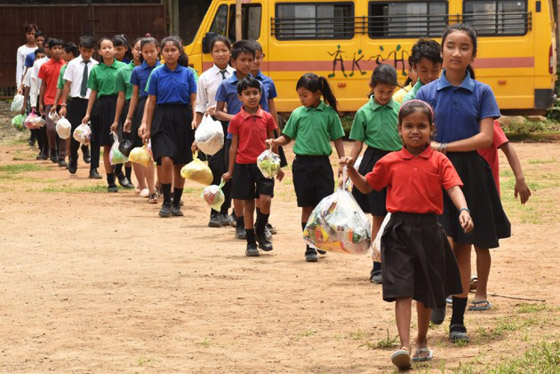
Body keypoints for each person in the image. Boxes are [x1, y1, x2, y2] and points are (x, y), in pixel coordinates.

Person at [340, 100, 470, 370]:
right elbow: (365, 187)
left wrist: (464, 209)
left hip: (429, 231)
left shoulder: (439, 160)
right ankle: (404, 347)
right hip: (397, 231)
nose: (415, 131)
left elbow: (453, 186)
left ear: (431, 129)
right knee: (402, 290)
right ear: (398, 130)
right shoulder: (390, 161)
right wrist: (351, 170)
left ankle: (422, 340)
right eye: (408, 126)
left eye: (421, 126)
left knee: (423, 292)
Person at [416, 23, 511, 343]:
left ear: (473, 54)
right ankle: (441, 290)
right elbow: (415, 132)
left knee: (464, 244)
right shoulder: (426, 92)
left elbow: (485, 136)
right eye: (451, 46)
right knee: (441, 239)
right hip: (432, 172)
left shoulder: (483, 92)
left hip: (470, 173)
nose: (457, 53)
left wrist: (444, 147)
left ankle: (458, 322)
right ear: (441, 51)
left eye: (464, 47)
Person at [267, 73, 345, 262]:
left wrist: (343, 161)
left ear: (317, 94)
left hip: (322, 164)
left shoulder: (329, 114)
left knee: (323, 206)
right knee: (307, 206)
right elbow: (287, 137)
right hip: (302, 165)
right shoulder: (297, 113)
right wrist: (275, 141)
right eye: (300, 95)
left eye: (305, 95)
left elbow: (337, 139)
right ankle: (309, 246)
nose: (301, 99)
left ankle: (320, 239)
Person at [470, 120, 531, 310]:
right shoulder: (455, 119)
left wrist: (520, 178)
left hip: (484, 193)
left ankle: (481, 293)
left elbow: (507, 147)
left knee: (481, 244)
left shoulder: (486, 123)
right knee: (456, 244)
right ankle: (458, 286)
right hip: (457, 190)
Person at [348, 64, 401, 283]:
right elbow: (358, 143)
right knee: (378, 214)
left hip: (398, 163)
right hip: (375, 163)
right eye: (381, 92)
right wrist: (349, 164)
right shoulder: (364, 112)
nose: (385, 96)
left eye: (389, 92)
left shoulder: (400, 109)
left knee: (399, 213)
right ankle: (377, 266)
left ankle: (398, 264)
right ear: (372, 87)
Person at [215, 40, 269, 239]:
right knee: (238, 185)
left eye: (251, 60)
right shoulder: (225, 85)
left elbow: (264, 111)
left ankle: (259, 223)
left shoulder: (259, 85)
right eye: (243, 60)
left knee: (260, 182)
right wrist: (238, 120)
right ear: (233, 61)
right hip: (234, 139)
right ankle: (239, 222)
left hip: (257, 142)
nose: (247, 64)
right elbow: (219, 112)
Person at [222, 77, 280, 256]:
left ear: (260, 94)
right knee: (248, 204)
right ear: (239, 97)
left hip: (264, 166)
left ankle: (260, 230)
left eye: (255, 93)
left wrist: (278, 165)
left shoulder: (267, 117)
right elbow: (233, 147)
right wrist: (230, 170)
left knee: (266, 200)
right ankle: (250, 242)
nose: (252, 97)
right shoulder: (236, 120)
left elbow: (273, 142)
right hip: (242, 166)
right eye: (247, 94)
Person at [141, 36, 197, 217]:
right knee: (165, 159)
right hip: (162, 118)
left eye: (174, 50)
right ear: (160, 52)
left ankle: (177, 202)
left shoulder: (188, 73)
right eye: (166, 50)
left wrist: (195, 119)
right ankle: (166, 201)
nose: (170, 53)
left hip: (183, 117)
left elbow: (194, 99)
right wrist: (148, 127)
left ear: (179, 52)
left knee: (180, 163)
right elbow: (151, 102)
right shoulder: (156, 73)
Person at [194, 35, 235, 227]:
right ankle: (214, 212)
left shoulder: (237, 75)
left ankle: (227, 209)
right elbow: (200, 107)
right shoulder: (205, 78)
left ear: (230, 51)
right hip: (213, 129)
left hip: (234, 126)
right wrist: (197, 134)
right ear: (211, 54)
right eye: (216, 51)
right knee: (216, 168)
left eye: (224, 50)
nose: (221, 54)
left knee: (232, 168)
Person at [81, 37, 127, 192]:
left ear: (115, 50)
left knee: (120, 143)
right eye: (104, 48)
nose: (107, 50)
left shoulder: (123, 68)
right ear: (99, 51)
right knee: (107, 145)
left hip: (119, 105)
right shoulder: (95, 70)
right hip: (102, 107)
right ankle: (110, 180)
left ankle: (120, 173)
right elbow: (93, 92)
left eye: (110, 47)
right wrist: (88, 113)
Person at [251, 40, 286, 238]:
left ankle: (263, 220)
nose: (254, 62)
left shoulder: (268, 82)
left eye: (258, 57)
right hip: (249, 132)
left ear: (263, 58)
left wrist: (276, 129)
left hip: (266, 132)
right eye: (251, 58)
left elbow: (271, 107)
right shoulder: (243, 82)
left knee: (267, 172)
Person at [125, 36, 161, 204]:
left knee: (160, 150)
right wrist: (129, 117)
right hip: (142, 109)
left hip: (161, 108)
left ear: (158, 50)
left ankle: (161, 184)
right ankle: (146, 186)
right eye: (145, 52)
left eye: (152, 51)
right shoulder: (137, 71)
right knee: (144, 151)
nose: (149, 55)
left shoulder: (163, 69)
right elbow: (134, 95)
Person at [59, 36, 98, 176]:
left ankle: (93, 168)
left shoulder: (96, 65)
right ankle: (73, 156)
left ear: (93, 50)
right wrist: (63, 104)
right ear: (79, 48)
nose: (86, 54)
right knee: (75, 133)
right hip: (75, 102)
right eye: (84, 51)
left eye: (89, 51)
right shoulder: (72, 64)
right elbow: (67, 85)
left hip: (91, 102)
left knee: (93, 135)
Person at [111, 36, 142, 190]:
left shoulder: (153, 70)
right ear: (132, 50)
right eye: (137, 48)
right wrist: (117, 120)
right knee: (127, 143)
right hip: (128, 108)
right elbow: (121, 97)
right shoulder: (123, 71)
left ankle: (131, 178)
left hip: (145, 108)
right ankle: (121, 173)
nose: (140, 52)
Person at [51, 42, 83, 167]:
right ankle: (71, 155)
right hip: (71, 102)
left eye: (63, 52)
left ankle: (85, 150)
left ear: (70, 54)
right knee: (69, 130)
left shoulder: (88, 66)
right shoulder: (64, 68)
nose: (61, 54)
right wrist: (57, 103)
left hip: (85, 101)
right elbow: (61, 86)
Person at [38, 38, 66, 167]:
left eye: (60, 48)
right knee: (50, 128)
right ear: (49, 50)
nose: (57, 51)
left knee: (63, 128)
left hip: (63, 102)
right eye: (55, 48)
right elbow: (43, 85)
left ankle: (61, 156)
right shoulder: (45, 66)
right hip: (49, 101)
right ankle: (52, 148)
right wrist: (41, 102)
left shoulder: (66, 66)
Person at [21, 48, 47, 159]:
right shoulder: (32, 70)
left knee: (49, 126)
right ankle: (42, 150)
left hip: (47, 98)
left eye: (42, 57)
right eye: (38, 57)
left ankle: (51, 149)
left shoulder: (47, 67)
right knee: (39, 127)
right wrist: (27, 103)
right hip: (36, 99)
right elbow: (28, 87)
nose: (40, 59)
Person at [402, 39, 442, 103]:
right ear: (414, 67)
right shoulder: (411, 99)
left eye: (434, 70)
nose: (430, 76)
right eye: (424, 71)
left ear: (441, 66)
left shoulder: (447, 91)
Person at [16, 24, 38, 89]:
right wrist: (19, 85)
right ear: (25, 34)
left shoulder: (39, 49)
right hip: (25, 80)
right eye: (29, 34)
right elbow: (19, 68)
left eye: (33, 34)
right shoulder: (21, 49)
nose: (31, 36)